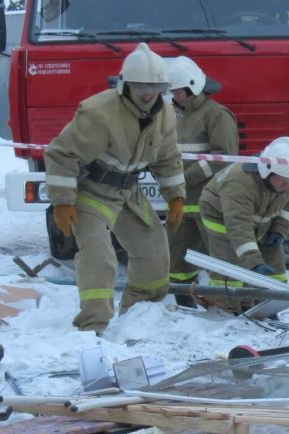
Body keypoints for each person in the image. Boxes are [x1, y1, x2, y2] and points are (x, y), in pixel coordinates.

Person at [44, 43, 186, 334]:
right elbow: (61, 154)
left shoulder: (166, 114)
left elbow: (168, 158)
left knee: (153, 247)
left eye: (154, 87)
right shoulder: (99, 112)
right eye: (140, 87)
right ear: (126, 85)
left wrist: (175, 197)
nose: (147, 93)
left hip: (128, 191)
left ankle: (142, 312)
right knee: (98, 252)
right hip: (91, 190)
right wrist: (63, 202)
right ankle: (93, 324)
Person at [165, 56, 240, 308]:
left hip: (209, 201)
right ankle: (183, 304)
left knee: (220, 259)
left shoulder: (217, 115)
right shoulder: (175, 116)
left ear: (192, 86)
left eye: (177, 91)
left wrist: (187, 176)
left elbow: (224, 157)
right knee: (177, 257)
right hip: (180, 201)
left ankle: (232, 306)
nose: (174, 95)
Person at [198, 137, 289, 313]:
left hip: (258, 218)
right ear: (267, 170)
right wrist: (253, 262)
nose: (288, 185)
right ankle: (227, 308)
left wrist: (279, 229)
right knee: (231, 265)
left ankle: (267, 308)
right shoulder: (239, 184)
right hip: (221, 216)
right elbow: (239, 227)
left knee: (275, 264)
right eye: (284, 180)